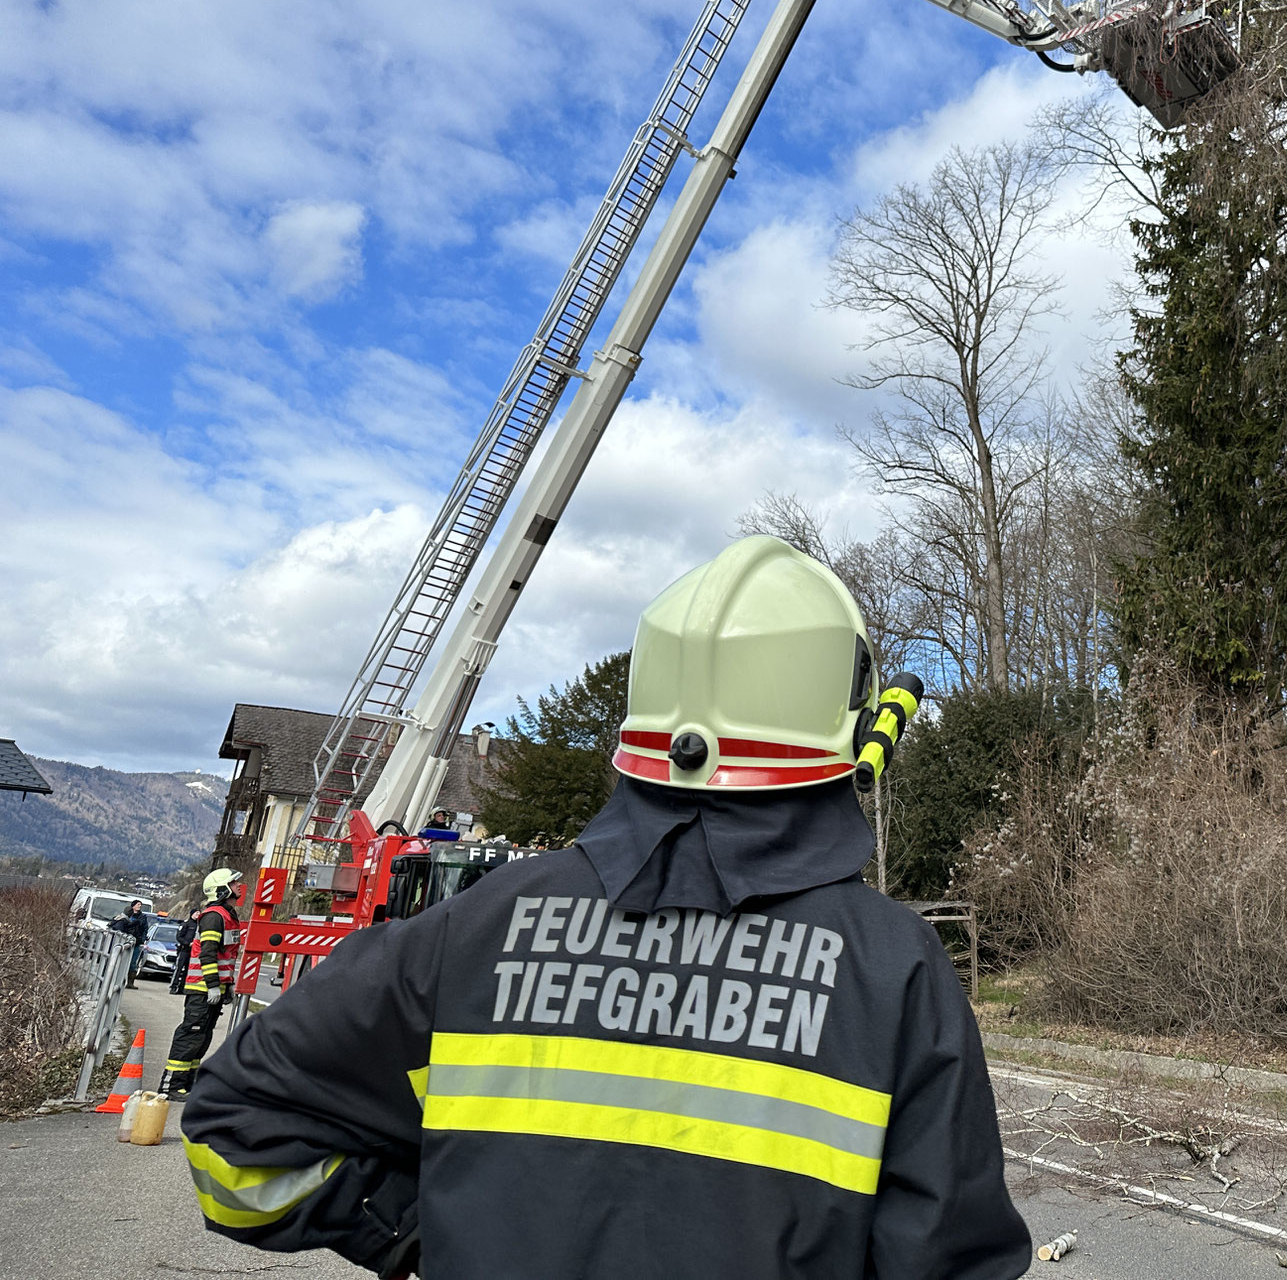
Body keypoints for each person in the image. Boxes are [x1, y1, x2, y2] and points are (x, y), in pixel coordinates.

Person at [179, 536, 1031, 1280]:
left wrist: (410, 1231)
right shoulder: (894, 969)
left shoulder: (479, 925)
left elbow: (231, 1137)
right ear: (847, 728)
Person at [162, 869, 242, 1100]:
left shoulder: (227, 914)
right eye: (233, 882)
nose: (238, 885)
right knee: (191, 1034)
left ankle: (187, 1084)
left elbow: (225, 956)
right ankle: (172, 1086)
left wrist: (228, 984)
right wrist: (214, 985)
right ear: (222, 888)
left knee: (203, 1036)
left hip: (213, 987)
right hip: (202, 988)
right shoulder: (214, 916)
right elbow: (207, 953)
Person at [108, 899, 150, 988]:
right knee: (120, 960)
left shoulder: (142, 917)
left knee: (133, 962)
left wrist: (142, 939)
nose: (139, 906)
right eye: (138, 904)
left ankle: (130, 983)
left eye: (140, 905)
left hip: (136, 942)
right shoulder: (125, 917)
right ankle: (115, 980)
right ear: (133, 906)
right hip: (124, 941)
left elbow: (145, 929)